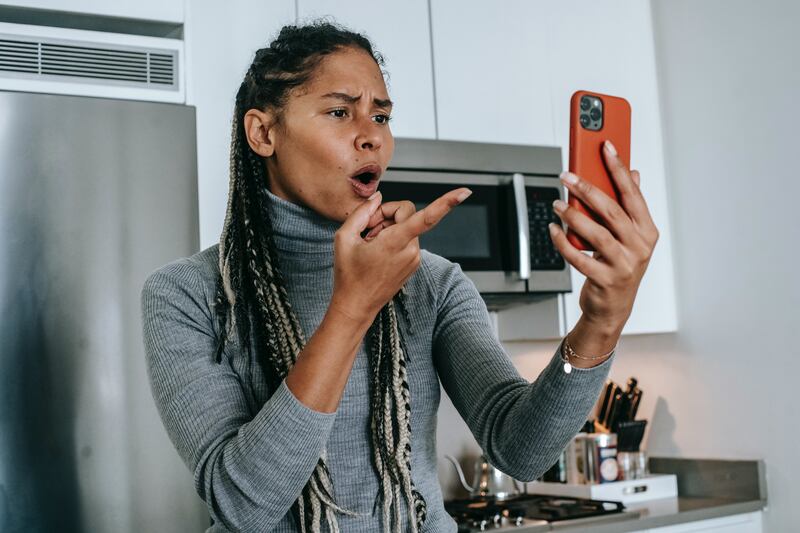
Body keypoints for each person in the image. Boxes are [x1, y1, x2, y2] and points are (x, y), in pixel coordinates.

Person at [140, 20, 659, 533]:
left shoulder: (431, 283)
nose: (371, 137)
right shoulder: (187, 295)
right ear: (264, 133)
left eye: (381, 117)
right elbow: (243, 505)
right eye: (340, 112)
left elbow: (520, 449)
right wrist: (352, 309)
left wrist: (601, 321)